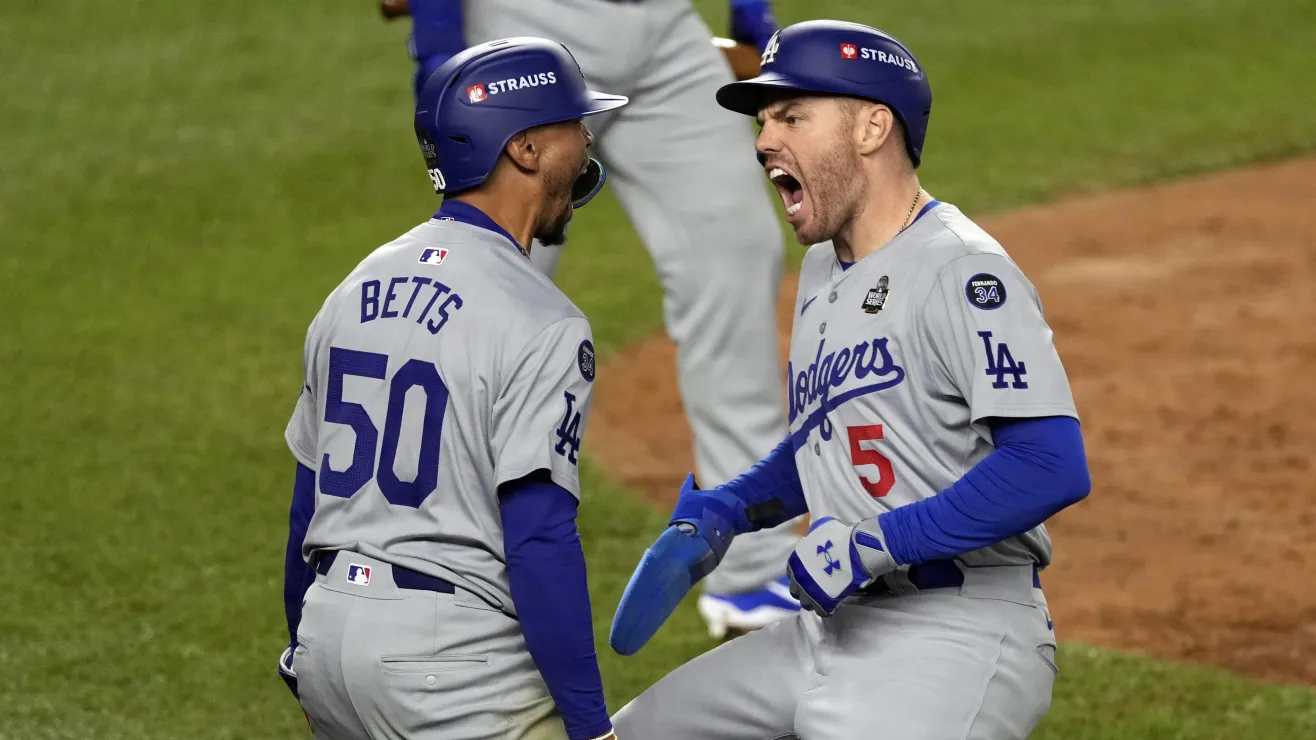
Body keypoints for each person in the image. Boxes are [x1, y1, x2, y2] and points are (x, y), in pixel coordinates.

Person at [608, 20, 1091, 739]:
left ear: (872, 127)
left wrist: (874, 544)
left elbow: (1050, 466)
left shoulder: (961, 269)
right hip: (832, 625)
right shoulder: (825, 269)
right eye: (765, 120)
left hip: (957, 631)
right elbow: (831, 435)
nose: (764, 140)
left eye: (792, 116)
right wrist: (731, 510)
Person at [385, 0, 803, 637]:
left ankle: (752, 569)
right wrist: (439, 49)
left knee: (735, 251)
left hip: (667, 35)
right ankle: (420, 560)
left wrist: (751, 13)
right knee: (490, 280)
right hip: (528, 28)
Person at [278, 37, 628, 740]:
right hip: (450, 671)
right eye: (570, 125)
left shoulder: (353, 287)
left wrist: (306, 643)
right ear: (525, 150)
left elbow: (304, 508)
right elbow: (539, 539)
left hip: (328, 636)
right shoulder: (545, 321)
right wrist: (592, 728)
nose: (586, 141)